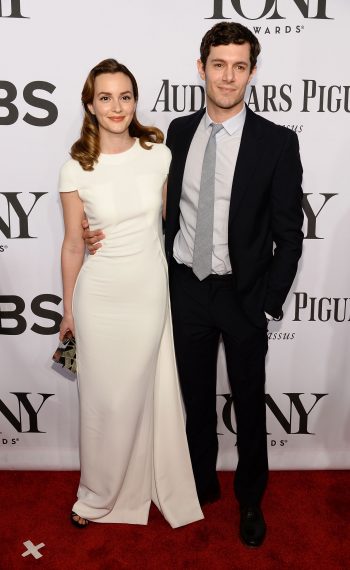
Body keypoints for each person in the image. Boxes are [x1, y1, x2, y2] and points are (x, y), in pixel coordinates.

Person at [84, 22, 304, 547]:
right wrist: (97, 232)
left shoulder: (277, 142)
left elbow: (289, 235)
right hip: (185, 287)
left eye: (240, 65)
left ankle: (250, 499)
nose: (228, 76)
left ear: (252, 72)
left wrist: (268, 303)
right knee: (193, 399)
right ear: (201, 67)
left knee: (250, 402)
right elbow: (135, 195)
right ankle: (199, 483)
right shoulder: (174, 134)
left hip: (244, 295)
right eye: (219, 64)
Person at [58, 58, 203, 529]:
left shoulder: (158, 153)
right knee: (102, 399)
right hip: (98, 296)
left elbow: (173, 222)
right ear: (90, 105)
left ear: (135, 101)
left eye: (125, 96)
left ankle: (145, 483)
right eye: (106, 97)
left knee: (138, 393)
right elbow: (74, 242)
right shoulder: (75, 168)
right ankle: (96, 494)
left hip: (147, 291)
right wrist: (68, 309)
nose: (117, 106)